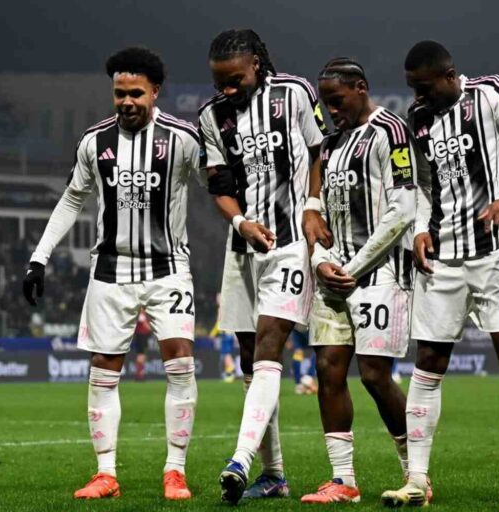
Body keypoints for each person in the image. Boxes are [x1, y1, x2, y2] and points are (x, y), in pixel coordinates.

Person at [22, 47, 201, 501]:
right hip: (110, 269)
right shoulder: (94, 142)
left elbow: (216, 183)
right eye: (119, 93)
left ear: (155, 92)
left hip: (169, 268)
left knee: (180, 361)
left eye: (136, 93)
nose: (126, 102)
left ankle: (174, 471)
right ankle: (106, 474)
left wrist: (243, 226)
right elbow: (71, 200)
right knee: (103, 368)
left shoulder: (183, 139)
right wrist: (39, 257)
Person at [381, 41, 499, 510]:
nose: (417, 96)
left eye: (424, 87)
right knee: (427, 364)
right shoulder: (418, 120)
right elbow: (422, 186)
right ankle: (416, 481)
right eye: (412, 88)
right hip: (443, 260)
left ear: (450, 75)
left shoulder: (492, 93)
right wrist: (418, 229)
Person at [198, 28, 326, 504]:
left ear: (256, 63)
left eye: (234, 79)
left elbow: (319, 152)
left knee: (272, 341)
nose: (225, 89)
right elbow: (219, 185)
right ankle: (274, 474)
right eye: (218, 81)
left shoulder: (293, 94)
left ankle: (240, 459)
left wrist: (313, 204)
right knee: (252, 359)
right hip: (243, 248)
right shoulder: (212, 116)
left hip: (292, 243)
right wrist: (240, 222)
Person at [298, 58, 417, 504]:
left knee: (373, 375)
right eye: (326, 103)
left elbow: (402, 211)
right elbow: (318, 216)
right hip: (335, 275)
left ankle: (415, 473)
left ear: (361, 88)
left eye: (337, 100)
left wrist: (355, 267)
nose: (331, 111)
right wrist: (322, 261)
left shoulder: (392, 132)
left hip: (381, 273)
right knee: (328, 368)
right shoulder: (328, 147)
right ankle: (343, 480)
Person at [132, 308, 152, 381]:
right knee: (141, 355)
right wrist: (152, 329)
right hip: (141, 336)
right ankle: (139, 375)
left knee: (142, 355)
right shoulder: (140, 313)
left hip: (142, 336)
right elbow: (144, 323)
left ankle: (140, 374)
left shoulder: (142, 313)